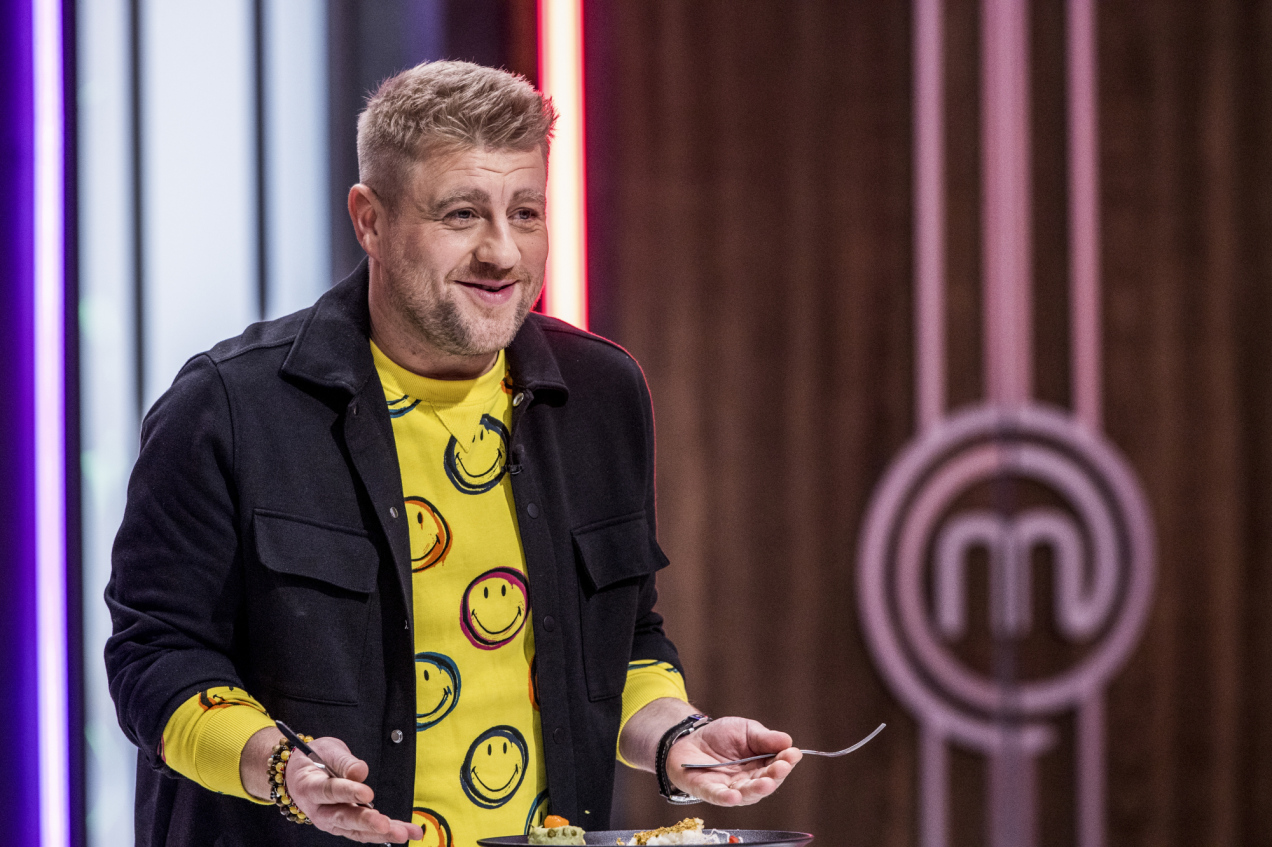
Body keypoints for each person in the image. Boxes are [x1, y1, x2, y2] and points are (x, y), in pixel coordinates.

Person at [106, 60, 801, 847]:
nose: (502, 252)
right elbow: (156, 658)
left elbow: (623, 641)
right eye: (462, 213)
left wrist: (677, 736)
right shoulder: (227, 406)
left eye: (526, 212)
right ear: (369, 220)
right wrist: (281, 767)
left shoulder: (602, 394)